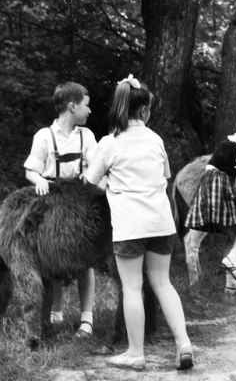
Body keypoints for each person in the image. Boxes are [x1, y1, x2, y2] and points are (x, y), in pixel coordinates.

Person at [85, 75, 193, 371]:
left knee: (132, 288)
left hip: (130, 226)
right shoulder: (156, 140)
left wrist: (110, 184)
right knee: (162, 283)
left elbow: (89, 181)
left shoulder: (109, 143)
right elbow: (165, 177)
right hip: (161, 223)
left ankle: (135, 353)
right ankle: (183, 343)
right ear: (144, 111)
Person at [23, 81, 97, 338]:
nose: (89, 111)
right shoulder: (44, 136)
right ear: (72, 105)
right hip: (52, 205)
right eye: (87, 105)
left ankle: (87, 318)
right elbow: (31, 169)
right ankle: (56, 310)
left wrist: (88, 176)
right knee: (52, 258)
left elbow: (95, 167)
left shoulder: (86, 136)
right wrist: (39, 179)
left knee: (85, 260)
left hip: (79, 205)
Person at [184, 107, 236, 295]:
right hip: (223, 188)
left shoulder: (228, 141)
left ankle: (231, 284)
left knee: (234, 232)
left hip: (207, 189)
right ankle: (234, 258)